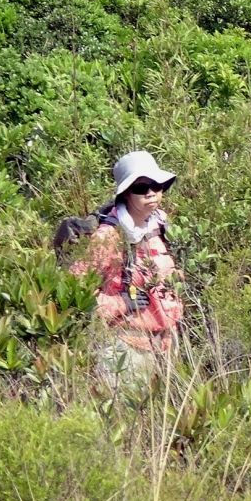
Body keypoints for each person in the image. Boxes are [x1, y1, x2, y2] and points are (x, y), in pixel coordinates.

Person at [64, 150, 185, 384]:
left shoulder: (160, 225)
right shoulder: (108, 237)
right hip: (125, 348)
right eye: (141, 187)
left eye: (156, 185)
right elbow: (73, 292)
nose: (150, 192)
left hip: (166, 343)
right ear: (127, 193)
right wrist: (120, 303)